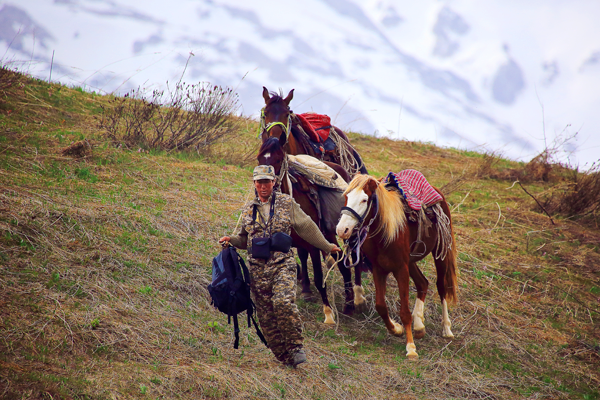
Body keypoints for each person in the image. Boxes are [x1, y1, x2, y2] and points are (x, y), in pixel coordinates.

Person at [219, 165, 341, 367]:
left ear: (274, 182)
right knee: (266, 317)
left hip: (282, 264)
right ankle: (284, 357)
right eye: (259, 182)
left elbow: (307, 227)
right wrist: (230, 240)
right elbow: (243, 239)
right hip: (258, 271)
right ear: (254, 183)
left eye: (267, 181)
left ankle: (296, 346)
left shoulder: (286, 203)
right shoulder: (249, 210)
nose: (263, 185)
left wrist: (327, 246)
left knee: (283, 302)